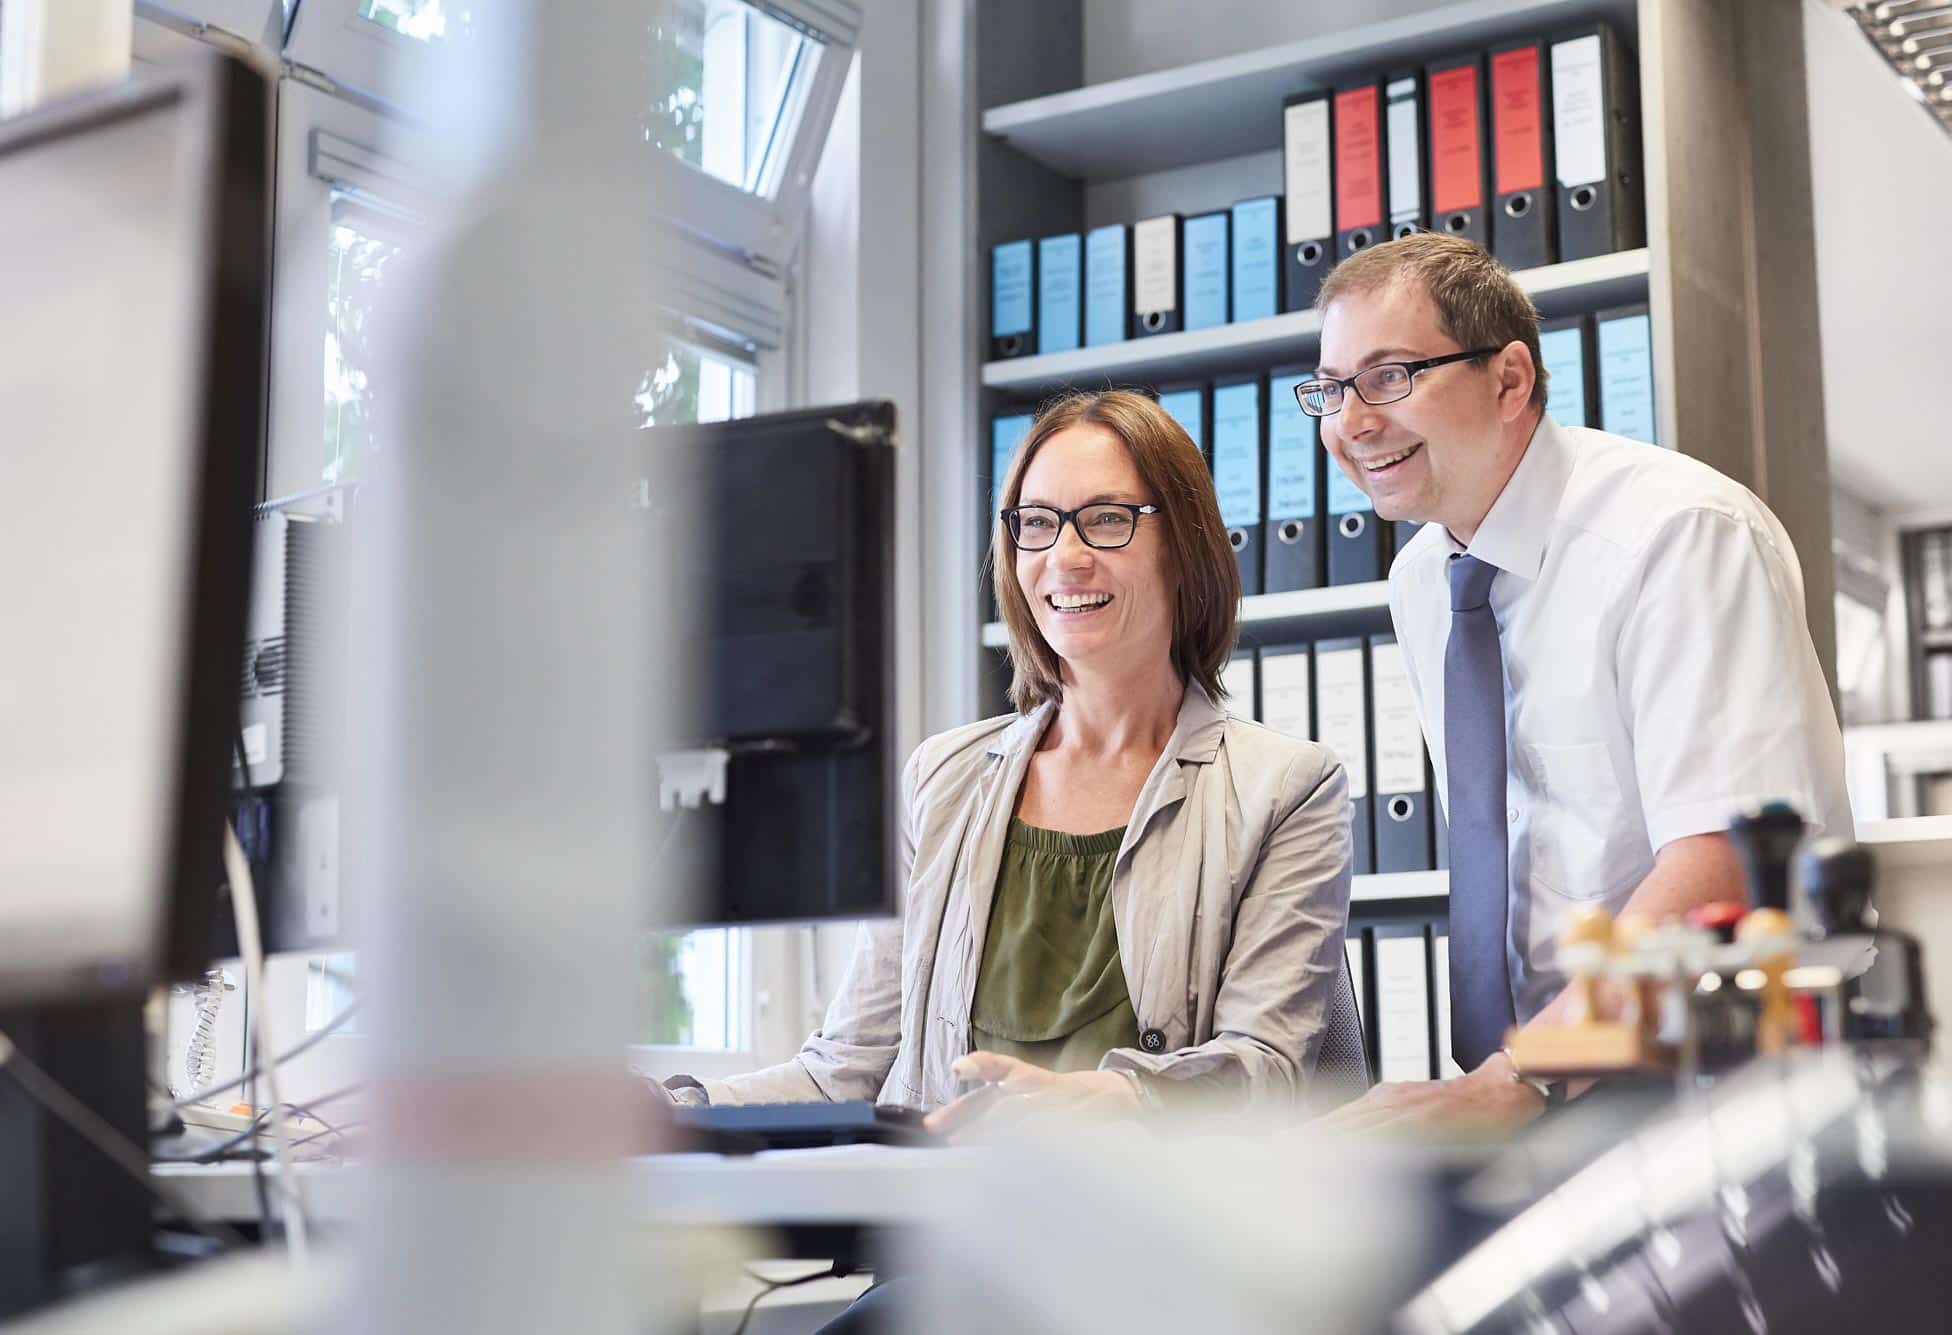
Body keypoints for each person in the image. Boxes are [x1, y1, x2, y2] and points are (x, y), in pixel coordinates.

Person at [656, 388, 1354, 1128]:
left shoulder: (1286, 787)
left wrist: (1102, 1100)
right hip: (941, 1229)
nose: (1066, 557)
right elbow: (843, 1070)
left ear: (1185, 546)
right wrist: (678, 1106)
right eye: (1037, 524)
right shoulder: (941, 779)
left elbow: (1262, 1069)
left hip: (1159, 1232)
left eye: (1108, 520)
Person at [1305, 233, 1852, 1133]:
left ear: (1510, 380)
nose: (1351, 421)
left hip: (1712, 1083)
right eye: (1330, 389)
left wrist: (1522, 1078)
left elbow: (1727, 863)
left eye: (1391, 376)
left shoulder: (1678, 536)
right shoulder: (1422, 580)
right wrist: (1512, 1078)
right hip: (1543, 1081)